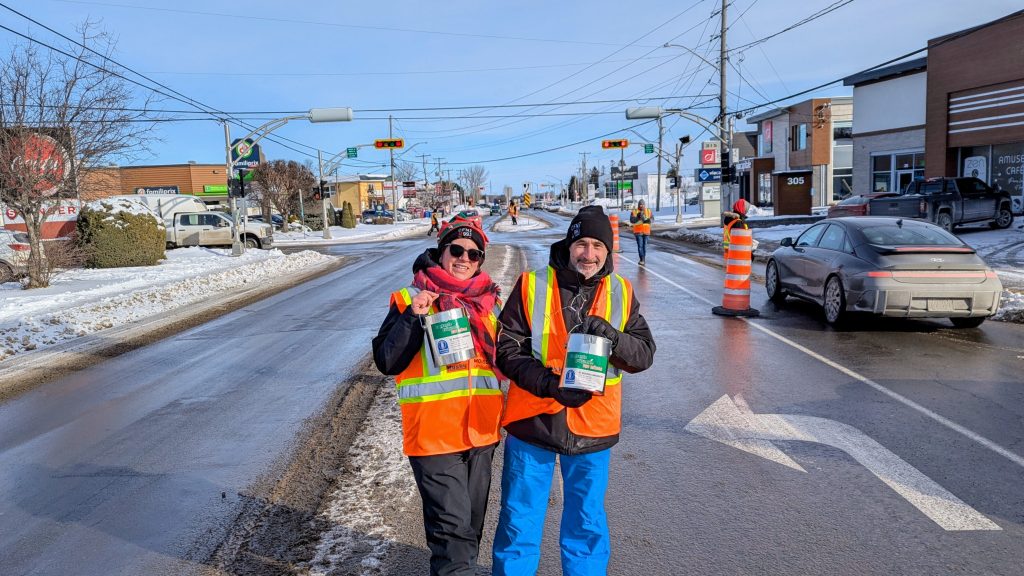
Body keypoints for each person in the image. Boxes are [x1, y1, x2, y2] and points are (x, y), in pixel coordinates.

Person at [491, 205, 656, 575]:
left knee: (586, 524)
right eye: (582, 243)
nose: (589, 254)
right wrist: (550, 385)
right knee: (519, 521)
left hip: (593, 427)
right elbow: (505, 350)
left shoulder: (621, 291)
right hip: (533, 422)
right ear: (569, 245)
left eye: (598, 245)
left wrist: (615, 340)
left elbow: (644, 354)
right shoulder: (532, 284)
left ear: (608, 251)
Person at [372, 212, 505, 576]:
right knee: (452, 535)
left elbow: (507, 362)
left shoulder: (488, 305)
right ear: (441, 251)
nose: (464, 258)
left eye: (473, 253)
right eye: (456, 250)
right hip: (434, 438)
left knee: (470, 532)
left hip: (480, 436)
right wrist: (414, 317)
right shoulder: (411, 298)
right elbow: (388, 360)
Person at [628, 198, 652, 265]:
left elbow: (652, 219)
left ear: (644, 205)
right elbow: (632, 220)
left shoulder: (648, 211)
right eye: (640, 204)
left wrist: (648, 220)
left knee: (644, 246)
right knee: (640, 246)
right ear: (638, 205)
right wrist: (637, 217)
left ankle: (643, 258)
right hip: (638, 232)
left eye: (643, 204)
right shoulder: (634, 211)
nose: (642, 206)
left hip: (646, 232)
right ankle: (642, 259)